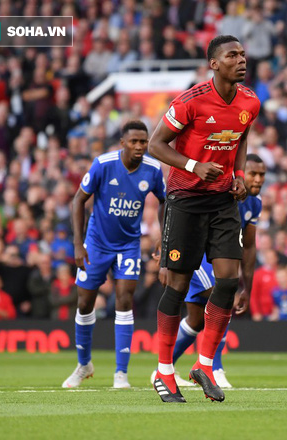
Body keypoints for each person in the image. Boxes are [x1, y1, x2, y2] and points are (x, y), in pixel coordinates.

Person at [148, 35, 260, 403]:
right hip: (184, 200)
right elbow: (155, 144)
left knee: (227, 281)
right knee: (177, 288)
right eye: (232, 55)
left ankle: (205, 365)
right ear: (214, 63)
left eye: (243, 54)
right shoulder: (190, 101)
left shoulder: (250, 102)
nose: (241, 60)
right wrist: (195, 165)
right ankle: (165, 371)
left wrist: (240, 176)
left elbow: (240, 139)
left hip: (223, 200)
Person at [62, 120, 166, 389]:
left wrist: (163, 238)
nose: (140, 146)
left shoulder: (153, 170)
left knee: (125, 300)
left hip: (129, 245)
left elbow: (167, 202)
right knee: (85, 303)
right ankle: (84, 364)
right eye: (134, 141)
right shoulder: (103, 164)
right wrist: (78, 244)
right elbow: (78, 200)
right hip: (96, 243)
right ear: (123, 143)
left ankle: (121, 374)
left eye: (143, 141)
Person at [152, 154, 266, 389]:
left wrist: (247, 287)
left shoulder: (255, 203)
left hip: (218, 258)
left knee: (195, 321)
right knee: (219, 293)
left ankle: (162, 370)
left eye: (262, 175)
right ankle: (214, 367)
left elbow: (251, 246)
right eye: (253, 173)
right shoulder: (222, 191)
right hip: (199, 255)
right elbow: (168, 205)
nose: (257, 179)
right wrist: (164, 249)